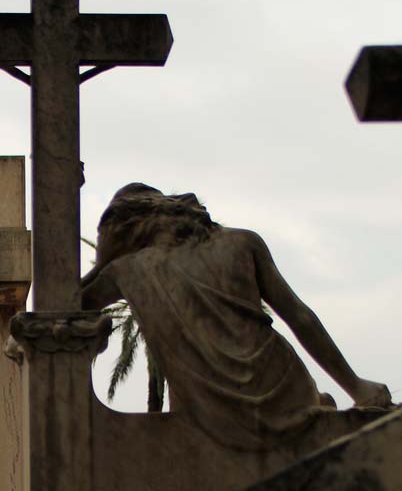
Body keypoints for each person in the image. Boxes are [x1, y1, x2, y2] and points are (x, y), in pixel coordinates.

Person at [81, 183, 392, 450]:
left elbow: (64, 302)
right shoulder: (242, 241)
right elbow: (300, 318)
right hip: (282, 384)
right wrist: (357, 387)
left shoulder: (129, 270)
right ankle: (319, 405)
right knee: (321, 411)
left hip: (213, 412)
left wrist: (100, 265)